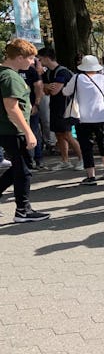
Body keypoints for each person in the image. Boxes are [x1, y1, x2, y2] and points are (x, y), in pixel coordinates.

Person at [0, 39, 50, 223]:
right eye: (30, 58)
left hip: (9, 130)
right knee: (23, 169)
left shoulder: (5, 73)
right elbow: (12, 108)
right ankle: (23, 210)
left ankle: (23, 209)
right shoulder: (10, 77)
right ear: (19, 57)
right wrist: (28, 131)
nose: (33, 62)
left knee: (20, 167)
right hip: (14, 131)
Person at [62, 55, 104, 185]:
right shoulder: (103, 78)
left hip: (82, 118)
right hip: (100, 116)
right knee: (103, 141)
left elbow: (65, 92)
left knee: (86, 146)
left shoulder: (76, 78)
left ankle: (91, 176)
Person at [37, 48, 84, 171]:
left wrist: (46, 87)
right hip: (54, 106)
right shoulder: (48, 73)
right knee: (58, 134)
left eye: (40, 59)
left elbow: (54, 90)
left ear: (47, 58)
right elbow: (46, 91)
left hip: (65, 107)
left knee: (67, 134)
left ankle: (82, 159)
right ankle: (65, 160)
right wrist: (46, 86)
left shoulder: (62, 72)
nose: (39, 61)